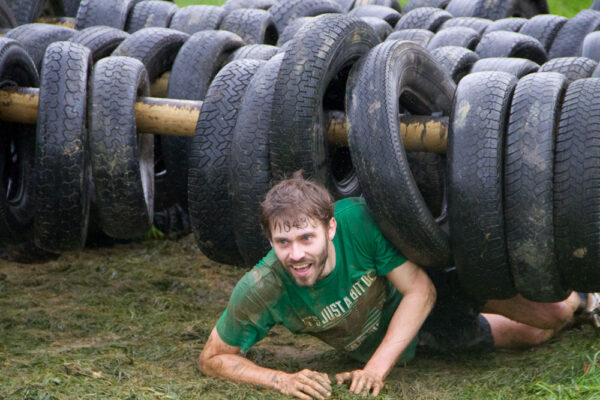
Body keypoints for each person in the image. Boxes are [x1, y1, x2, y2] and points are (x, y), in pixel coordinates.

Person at [198, 172, 599, 399]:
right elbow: (213, 357)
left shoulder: (356, 222)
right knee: (535, 334)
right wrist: (280, 380)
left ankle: (587, 299)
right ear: (270, 242)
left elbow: (420, 291)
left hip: (433, 293)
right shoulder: (262, 287)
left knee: (555, 311)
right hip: (414, 342)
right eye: (283, 243)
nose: (296, 254)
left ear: (330, 228)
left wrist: (375, 369)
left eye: (306, 238)